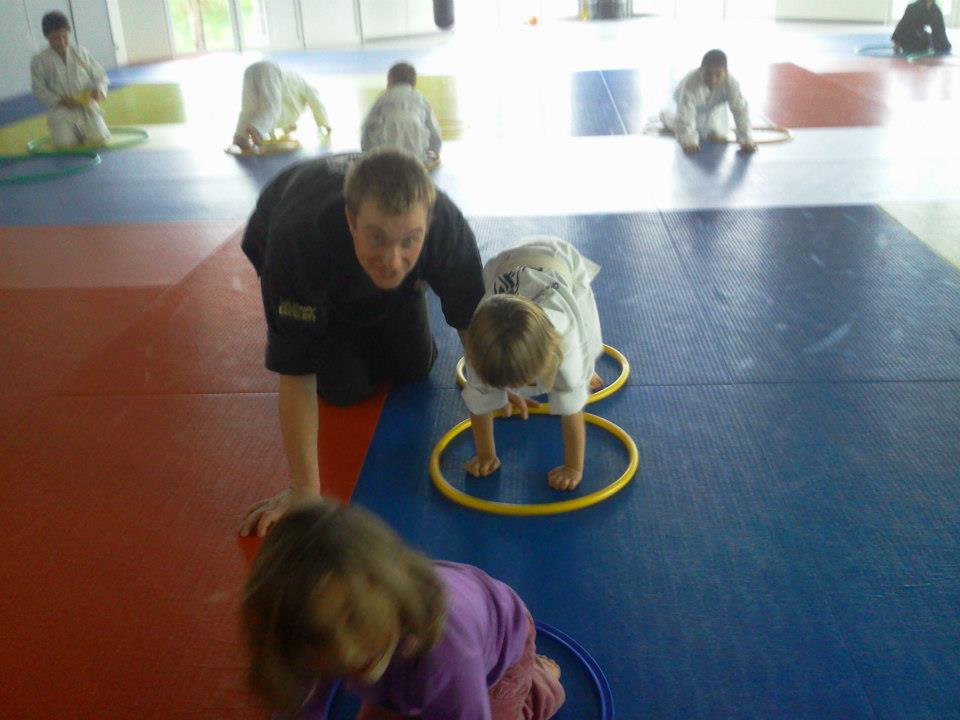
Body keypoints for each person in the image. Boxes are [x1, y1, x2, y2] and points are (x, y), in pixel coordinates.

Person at [239, 149, 484, 537]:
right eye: (377, 237)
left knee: (415, 367)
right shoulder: (299, 236)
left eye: (410, 241)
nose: (392, 257)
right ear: (352, 221)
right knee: (344, 390)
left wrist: (495, 385)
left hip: (371, 273)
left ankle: (398, 297)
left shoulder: (446, 229)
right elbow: (296, 370)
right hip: (298, 244)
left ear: (426, 226)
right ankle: (339, 319)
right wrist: (305, 490)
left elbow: (471, 323)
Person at [243, 499, 566, 720]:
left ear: (387, 592)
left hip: (498, 656)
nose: (346, 653)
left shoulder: (445, 650)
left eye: (354, 618)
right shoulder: (317, 629)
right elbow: (305, 697)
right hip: (408, 664)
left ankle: (542, 683)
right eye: (321, 637)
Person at [461, 236, 604, 492]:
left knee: (587, 347)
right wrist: (485, 455)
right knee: (493, 372)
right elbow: (480, 402)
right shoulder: (480, 347)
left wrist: (573, 468)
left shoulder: (565, 335)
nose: (525, 388)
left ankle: (588, 369)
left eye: (528, 382)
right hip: (503, 264)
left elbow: (572, 409)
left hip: (560, 259)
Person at [30, 11, 111, 149]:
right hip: (61, 110)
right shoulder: (39, 61)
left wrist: (99, 89)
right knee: (64, 145)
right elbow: (39, 89)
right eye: (55, 38)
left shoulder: (80, 52)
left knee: (100, 139)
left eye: (64, 36)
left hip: (87, 106)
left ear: (68, 32)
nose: (61, 41)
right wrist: (61, 100)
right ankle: (73, 133)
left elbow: (100, 76)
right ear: (47, 37)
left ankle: (84, 131)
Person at [660, 49, 757, 155]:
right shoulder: (690, 85)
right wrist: (689, 141)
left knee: (717, 132)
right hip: (687, 101)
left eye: (718, 75)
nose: (712, 79)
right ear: (701, 70)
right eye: (708, 74)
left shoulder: (731, 83)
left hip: (715, 103)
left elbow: (740, 111)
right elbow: (685, 117)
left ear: (726, 72)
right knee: (683, 127)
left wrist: (746, 139)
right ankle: (665, 115)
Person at [233, 60, 331, 151]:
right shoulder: (307, 87)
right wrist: (324, 124)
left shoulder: (291, 99)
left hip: (251, 70)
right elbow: (317, 103)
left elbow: (276, 119)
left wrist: (287, 129)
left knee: (248, 109)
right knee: (271, 108)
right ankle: (257, 130)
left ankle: (240, 137)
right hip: (270, 70)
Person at [361, 62, 442, 166]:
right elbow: (434, 131)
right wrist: (435, 151)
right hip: (417, 158)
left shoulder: (383, 98)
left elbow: (367, 126)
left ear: (390, 80)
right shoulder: (421, 99)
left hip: (385, 158)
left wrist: (367, 152)